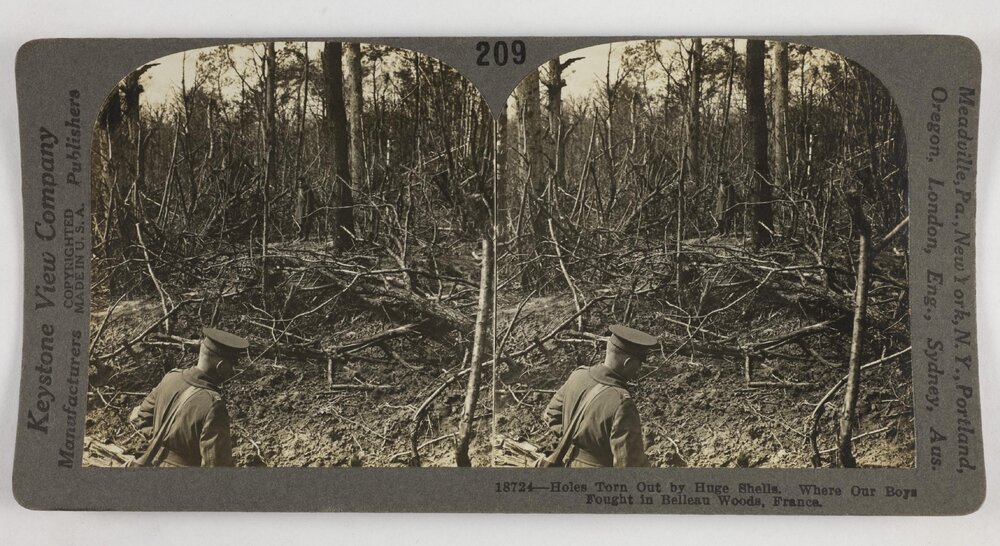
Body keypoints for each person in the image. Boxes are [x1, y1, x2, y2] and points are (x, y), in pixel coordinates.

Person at [131, 327, 249, 467]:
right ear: (221, 366)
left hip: (151, 464)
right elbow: (216, 465)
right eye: (232, 365)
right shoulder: (214, 405)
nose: (232, 371)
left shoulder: (171, 377)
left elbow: (142, 415)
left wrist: (163, 442)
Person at [542, 324, 657, 467]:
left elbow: (551, 413)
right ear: (627, 362)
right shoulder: (622, 402)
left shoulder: (578, 375)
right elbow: (628, 463)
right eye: (639, 364)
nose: (639, 370)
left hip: (564, 463)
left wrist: (574, 440)